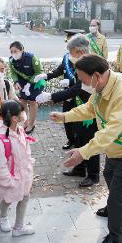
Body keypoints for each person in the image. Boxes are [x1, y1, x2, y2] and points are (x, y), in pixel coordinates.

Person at [50, 54, 122, 243]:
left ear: (96, 76)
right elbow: (89, 109)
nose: (81, 82)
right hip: (113, 149)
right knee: (109, 176)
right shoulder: (103, 85)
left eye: (83, 78)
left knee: (118, 197)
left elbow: (111, 131)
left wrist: (82, 153)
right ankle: (112, 209)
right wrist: (65, 116)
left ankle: (115, 236)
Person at [35, 35, 100, 188]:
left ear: (79, 51)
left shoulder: (92, 64)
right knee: (78, 137)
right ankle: (80, 168)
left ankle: (93, 175)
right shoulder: (82, 62)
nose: (70, 55)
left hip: (90, 109)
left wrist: (51, 96)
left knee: (89, 141)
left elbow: (78, 88)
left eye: (72, 52)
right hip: (79, 107)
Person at [34, 29, 85, 150]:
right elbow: (59, 70)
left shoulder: (85, 59)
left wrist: (71, 81)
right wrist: (46, 76)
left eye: (69, 40)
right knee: (66, 117)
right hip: (67, 92)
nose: (67, 43)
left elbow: (85, 80)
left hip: (79, 94)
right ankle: (70, 139)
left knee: (79, 118)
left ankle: (79, 141)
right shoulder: (67, 56)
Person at [0, 100, 35, 237]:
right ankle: (3, 217)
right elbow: (0, 165)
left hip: (24, 174)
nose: (25, 113)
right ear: (14, 118)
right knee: (7, 199)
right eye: (22, 111)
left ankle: (18, 227)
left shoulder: (19, 129)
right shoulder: (2, 139)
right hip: (11, 179)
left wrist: (29, 164)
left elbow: (25, 148)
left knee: (25, 198)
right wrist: (9, 182)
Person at [9, 41, 43, 134]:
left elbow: (38, 72)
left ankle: (31, 124)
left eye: (15, 51)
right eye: (11, 52)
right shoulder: (11, 60)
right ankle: (26, 122)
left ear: (22, 49)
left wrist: (29, 84)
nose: (13, 54)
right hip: (22, 83)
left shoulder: (32, 58)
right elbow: (13, 73)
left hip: (36, 82)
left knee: (32, 102)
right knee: (23, 101)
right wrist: (16, 82)